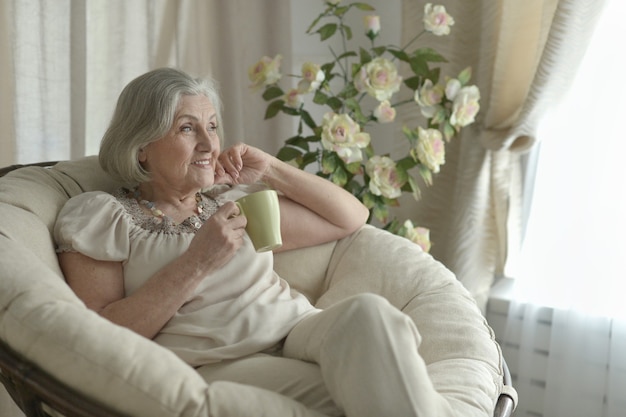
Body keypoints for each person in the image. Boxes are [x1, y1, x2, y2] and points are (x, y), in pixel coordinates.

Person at [54, 68, 447, 417]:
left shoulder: (232, 204)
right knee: (361, 392)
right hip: (221, 359)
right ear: (142, 146)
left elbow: (349, 217)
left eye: (212, 126)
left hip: (296, 329)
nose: (209, 145)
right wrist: (198, 261)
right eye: (187, 128)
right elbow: (100, 334)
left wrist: (272, 170)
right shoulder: (103, 216)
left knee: (371, 314)